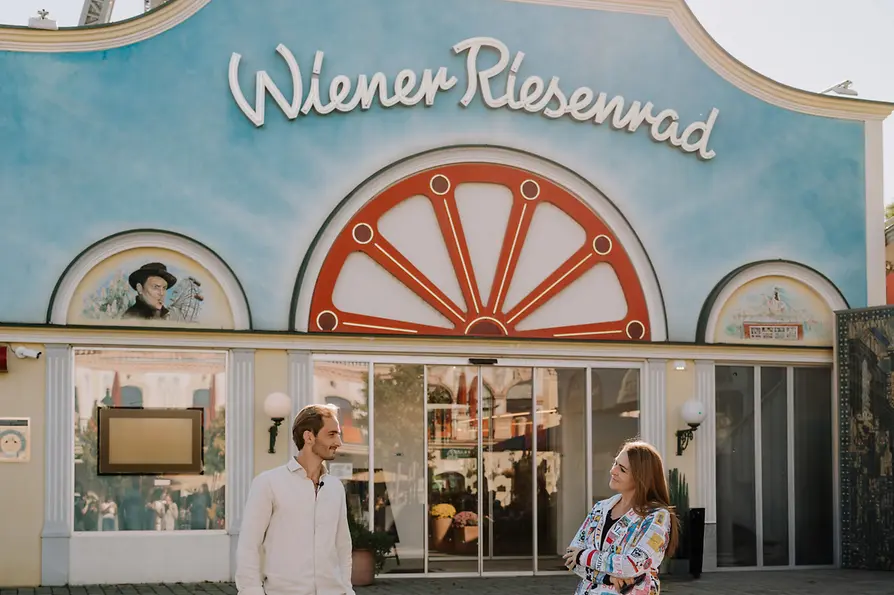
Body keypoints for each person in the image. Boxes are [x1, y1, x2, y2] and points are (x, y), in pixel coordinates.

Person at [236, 403, 353, 595]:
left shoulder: (335, 487)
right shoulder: (268, 483)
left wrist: (347, 589)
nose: (338, 442)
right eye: (332, 434)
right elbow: (249, 546)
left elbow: (343, 546)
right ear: (309, 437)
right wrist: (251, 591)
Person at [563, 440, 679, 595]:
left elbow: (631, 565)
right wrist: (608, 578)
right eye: (615, 463)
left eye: (622, 469)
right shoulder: (600, 508)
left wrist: (583, 555)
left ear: (641, 478)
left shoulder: (656, 516)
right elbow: (571, 558)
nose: (613, 470)